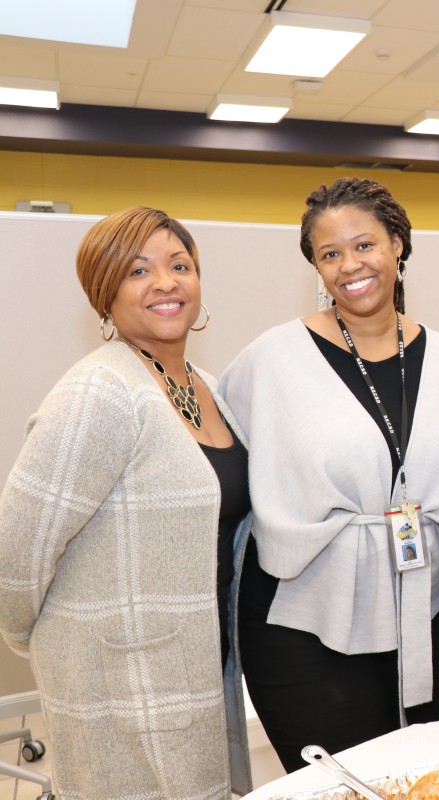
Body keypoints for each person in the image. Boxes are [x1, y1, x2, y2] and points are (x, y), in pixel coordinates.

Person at [220, 177, 439, 772]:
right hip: (308, 624)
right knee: (335, 783)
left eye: (364, 245)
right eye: (329, 254)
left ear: (397, 244)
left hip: (426, 614)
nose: (349, 266)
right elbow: (224, 465)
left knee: (412, 776)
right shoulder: (272, 360)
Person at [0, 207, 251, 798]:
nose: (166, 282)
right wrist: (39, 640)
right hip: (119, 686)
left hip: (195, 664)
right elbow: (17, 548)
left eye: (179, 265)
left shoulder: (204, 385)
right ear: (104, 295)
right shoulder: (100, 391)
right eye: (138, 270)